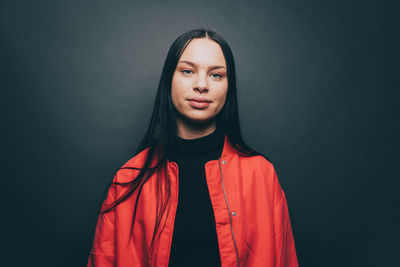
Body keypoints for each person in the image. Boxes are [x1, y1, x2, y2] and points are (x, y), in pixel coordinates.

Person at [87, 29, 299, 267]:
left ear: (229, 86)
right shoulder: (128, 178)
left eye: (216, 75)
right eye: (188, 71)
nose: (201, 85)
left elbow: (284, 259)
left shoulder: (262, 175)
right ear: (169, 79)